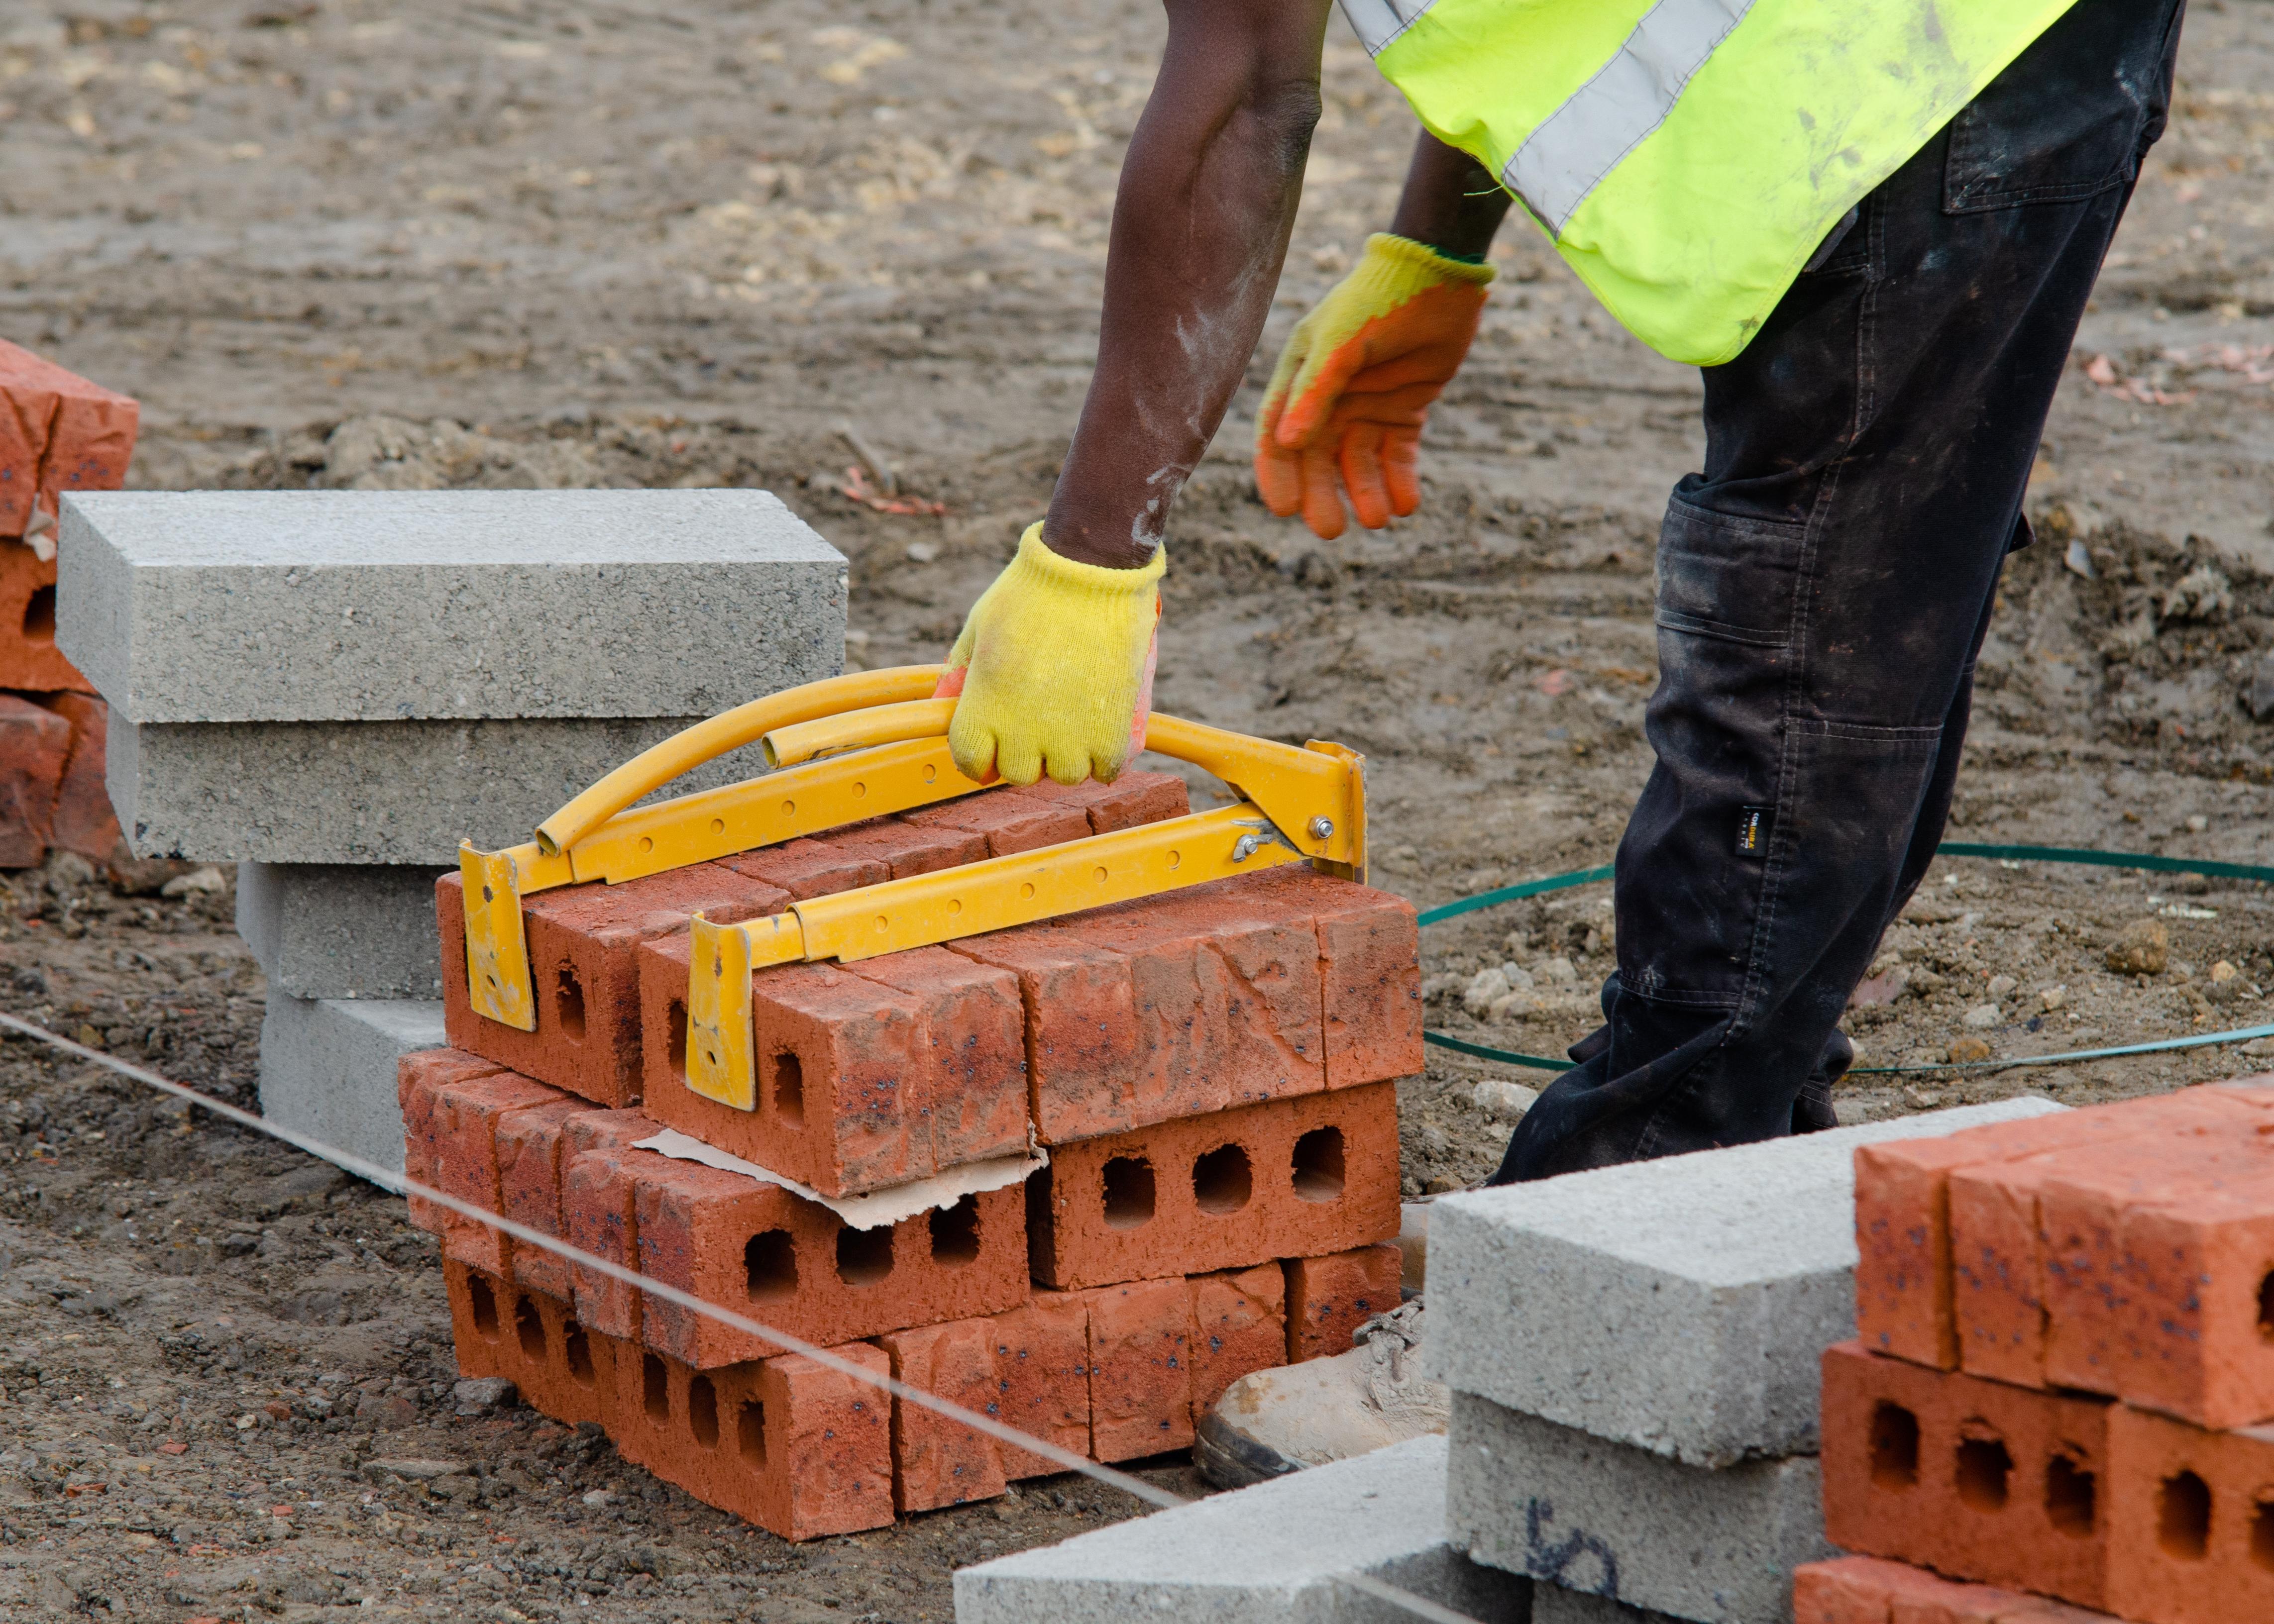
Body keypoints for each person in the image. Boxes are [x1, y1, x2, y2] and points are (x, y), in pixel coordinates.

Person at [935, 0, 2186, 1184]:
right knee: (1880, 553)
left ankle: (1642, 1184)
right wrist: (1435, 245)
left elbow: (1246, 96)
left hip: (1921, 59)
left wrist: (1091, 560)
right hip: (1985, 44)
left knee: (1813, 608)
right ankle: (1750, 1119)